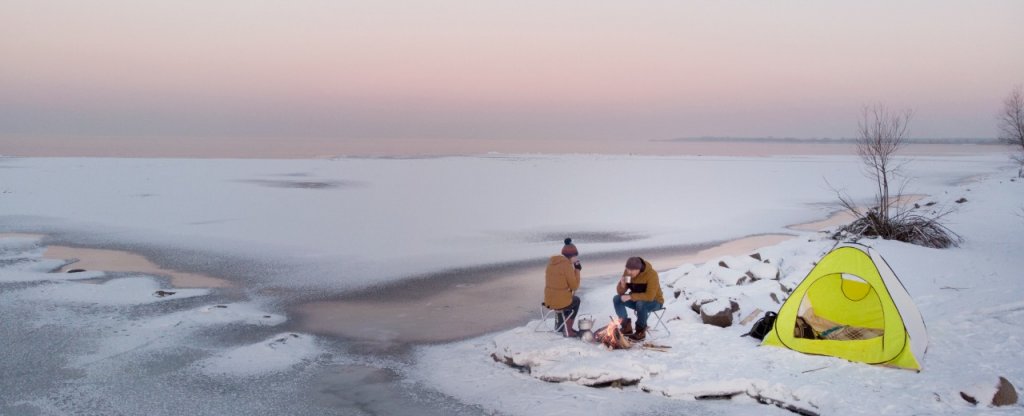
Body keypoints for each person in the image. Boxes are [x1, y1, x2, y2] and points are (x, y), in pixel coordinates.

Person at [613, 256, 663, 341]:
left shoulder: (651, 275)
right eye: (627, 269)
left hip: (655, 302)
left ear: (638, 269)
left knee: (641, 303)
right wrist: (622, 285)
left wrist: (631, 296)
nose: (629, 272)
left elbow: (650, 296)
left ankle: (640, 331)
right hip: (637, 300)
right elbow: (621, 292)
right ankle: (626, 326)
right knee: (617, 299)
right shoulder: (628, 273)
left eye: (631, 270)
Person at [544, 238, 582, 337]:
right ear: (572, 256)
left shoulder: (552, 263)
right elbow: (574, 286)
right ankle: (568, 330)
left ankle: (560, 326)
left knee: (564, 297)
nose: (576, 258)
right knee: (575, 301)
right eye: (575, 256)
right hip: (559, 302)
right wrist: (577, 270)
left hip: (548, 300)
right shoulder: (567, 265)